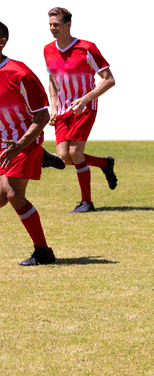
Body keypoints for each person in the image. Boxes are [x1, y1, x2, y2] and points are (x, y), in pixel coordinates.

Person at [42, 6, 118, 213]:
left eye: (56, 24)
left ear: (68, 24)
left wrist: (86, 98)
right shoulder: (47, 50)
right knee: (64, 158)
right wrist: (54, 108)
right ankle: (104, 163)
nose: (52, 28)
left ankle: (87, 202)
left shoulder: (87, 48)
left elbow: (109, 79)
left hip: (85, 108)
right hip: (63, 111)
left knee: (75, 152)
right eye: (50, 25)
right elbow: (52, 80)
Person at [0, 20, 58, 266]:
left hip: (22, 142)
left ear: (2, 43)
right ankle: (43, 156)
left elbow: (42, 115)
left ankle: (43, 251)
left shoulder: (19, 73)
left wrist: (21, 144)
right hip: (4, 144)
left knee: (14, 194)